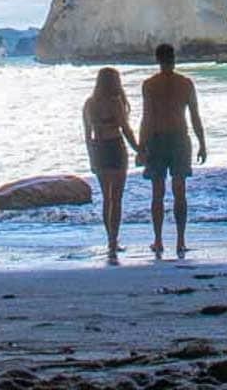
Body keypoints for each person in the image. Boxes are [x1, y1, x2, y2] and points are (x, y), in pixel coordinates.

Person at [138, 43, 207, 258]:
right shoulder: (185, 84)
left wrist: (141, 147)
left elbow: (147, 118)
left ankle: (158, 240)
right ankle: (180, 241)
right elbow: (195, 116)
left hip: (157, 140)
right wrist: (202, 142)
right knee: (180, 193)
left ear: (157, 59)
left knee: (157, 194)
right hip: (179, 140)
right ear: (174, 58)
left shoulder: (149, 85)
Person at [82, 67, 139, 258]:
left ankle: (110, 241)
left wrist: (91, 158)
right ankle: (114, 241)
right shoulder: (115, 102)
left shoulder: (89, 104)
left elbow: (87, 136)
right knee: (117, 198)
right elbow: (126, 130)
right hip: (115, 148)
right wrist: (139, 150)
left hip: (98, 150)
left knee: (106, 199)